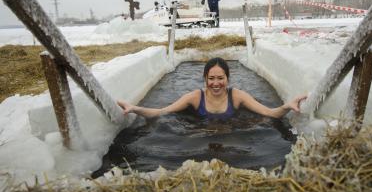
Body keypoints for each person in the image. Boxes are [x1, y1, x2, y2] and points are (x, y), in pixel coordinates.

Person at [118, 57, 307, 120]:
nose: (216, 83)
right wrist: (135, 108)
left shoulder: (237, 96)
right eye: (211, 78)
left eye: (220, 78)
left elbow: (269, 113)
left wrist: (286, 106)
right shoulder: (194, 97)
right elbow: (161, 112)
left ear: (227, 78)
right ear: (205, 79)